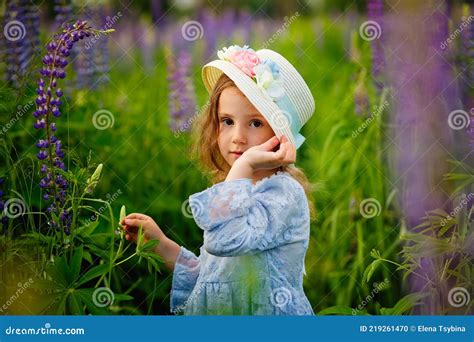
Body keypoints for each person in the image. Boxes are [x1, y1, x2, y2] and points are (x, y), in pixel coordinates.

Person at [121, 45, 316, 315]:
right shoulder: (233, 189)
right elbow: (214, 277)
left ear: (281, 136)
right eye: (227, 121)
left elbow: (227, 241)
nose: (237, 137)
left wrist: (244, 165)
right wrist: (162, 245)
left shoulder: (283, 194)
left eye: (255, 123)